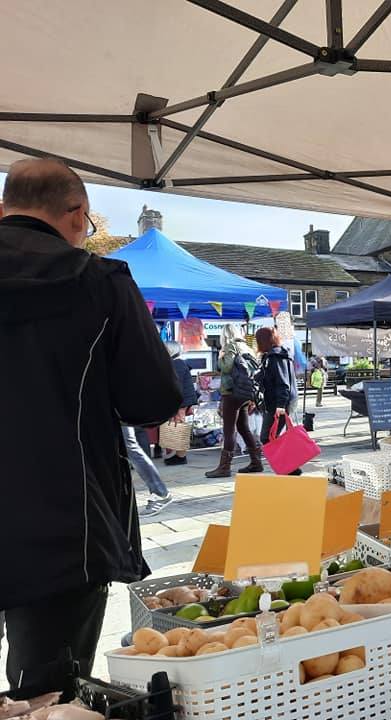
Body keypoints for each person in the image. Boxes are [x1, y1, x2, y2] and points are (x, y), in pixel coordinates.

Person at [0, 158, 181, 694]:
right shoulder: (97, 281)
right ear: (78, 215)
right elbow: (152, 399)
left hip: (57, 528)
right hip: (63, 527)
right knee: (51, 693)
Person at [206, 324, 262, 478]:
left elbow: (226, 367)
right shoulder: (247, 347)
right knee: (244, 428)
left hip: (232, 392)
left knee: (229, 430)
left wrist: (220, 358)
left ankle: (224, 467)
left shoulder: (231, 346)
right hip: (245, 392)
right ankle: (256, 462)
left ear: (225, 335)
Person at [254, 327, 301, 474]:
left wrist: (280, 405)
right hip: (280, 402)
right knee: (271, 436)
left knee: (267, 436)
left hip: (278, 403)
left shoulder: (275, 357)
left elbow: (282, 382)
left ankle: (289, 468)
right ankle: (289, 467)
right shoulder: (277, 355)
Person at [163, 341, 198, 466]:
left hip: (180, 400)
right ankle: (178, 455)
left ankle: (181, 457)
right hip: (181, 399)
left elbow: (174, 385)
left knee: (179, 426)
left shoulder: (176, 363)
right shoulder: (177, 362)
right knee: (177, 426)